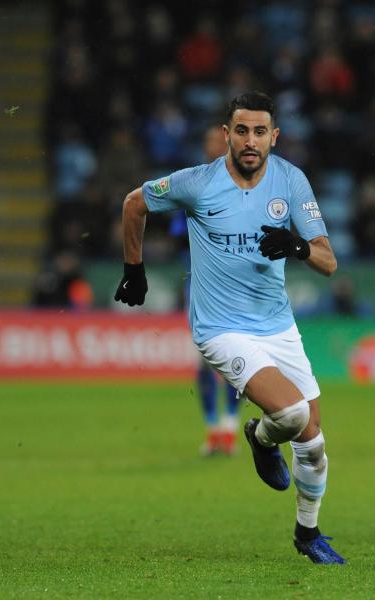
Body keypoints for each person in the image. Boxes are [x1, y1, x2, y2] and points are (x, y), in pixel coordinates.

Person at [115, 92, 345, 564]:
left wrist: (297, 247)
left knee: (315, 442)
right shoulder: (197, 183)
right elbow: (134, 204)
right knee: (295, 415)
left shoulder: (291, 181)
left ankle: (308, 534)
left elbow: (328, 261)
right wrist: (133, 269)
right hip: (220, 328)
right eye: (241, 130)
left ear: (274, 137)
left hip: (278, 326)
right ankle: (261, 438)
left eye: (260, 132)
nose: (250, 141)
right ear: (226, 134)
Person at [170, 124, 240, 456]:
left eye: (217, 140)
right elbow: (175, 228)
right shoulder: (193, 183)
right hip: (200, 282)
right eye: (208, 140)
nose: (213, 145)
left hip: (236, 283)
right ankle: (213, 428)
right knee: (205, 360)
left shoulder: (245, 181)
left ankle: (230, 426)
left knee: (238, 358)